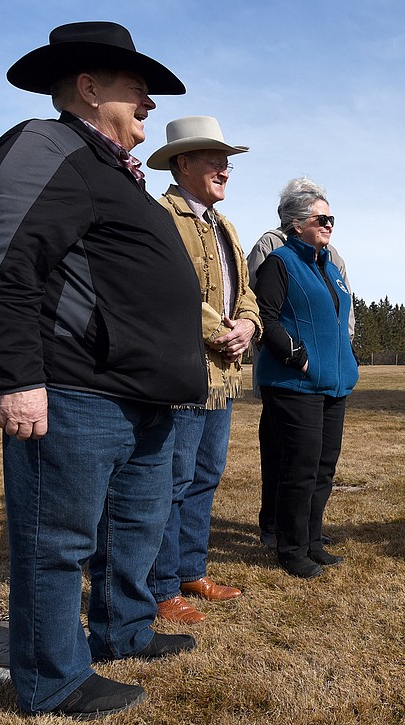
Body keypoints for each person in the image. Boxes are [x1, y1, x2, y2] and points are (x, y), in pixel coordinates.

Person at [0, 22, 205, 720]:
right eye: (138, 88)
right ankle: (52, 681)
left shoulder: (113, 171)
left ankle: (123, 634)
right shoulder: (45, 145)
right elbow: (6, 267)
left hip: (142, 395)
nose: (150, 104)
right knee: (56, 543)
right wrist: (17, 380)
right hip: (77, 388)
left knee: (136, 528)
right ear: (88, 86)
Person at [139, 117, 261, 623]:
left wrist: (249, 325)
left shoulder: (225, 226)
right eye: (215, 159)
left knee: (206, 475)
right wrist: (220, 332)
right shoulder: (161, 216)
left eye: (227, 160)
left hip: (224, 378)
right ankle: (162, 586)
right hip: (185, 373)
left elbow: (246, 291)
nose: (225, 169)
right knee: (173, 479)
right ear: (182, 163)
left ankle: (192, 570)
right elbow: (168, 292)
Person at [252, 179, 359, 578]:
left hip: (333, 384)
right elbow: (265, 316)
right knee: (298, 467)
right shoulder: (280, 263)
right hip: (294, 384)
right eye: (322, 218)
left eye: (332, 218)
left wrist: (346, 362)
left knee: (323, 467)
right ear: (297, 223)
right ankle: (291, 548)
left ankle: (313, 540)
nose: (330, 224)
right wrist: (297, 357)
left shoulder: (329, 267)